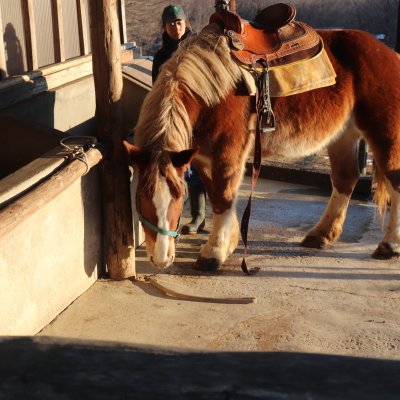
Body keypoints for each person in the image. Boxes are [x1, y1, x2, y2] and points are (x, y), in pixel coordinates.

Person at [152, 5, 206, 235]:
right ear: (165, 27)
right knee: (180, 168)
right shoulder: (161, 56)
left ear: (186, 23)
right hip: (174, 119)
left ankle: (199, 216)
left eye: (180, 22)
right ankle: (177, 216)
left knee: (198, 168)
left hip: (197, 115)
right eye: (172, 23)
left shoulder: (198, 49)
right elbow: (155, 89)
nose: (176, 27)